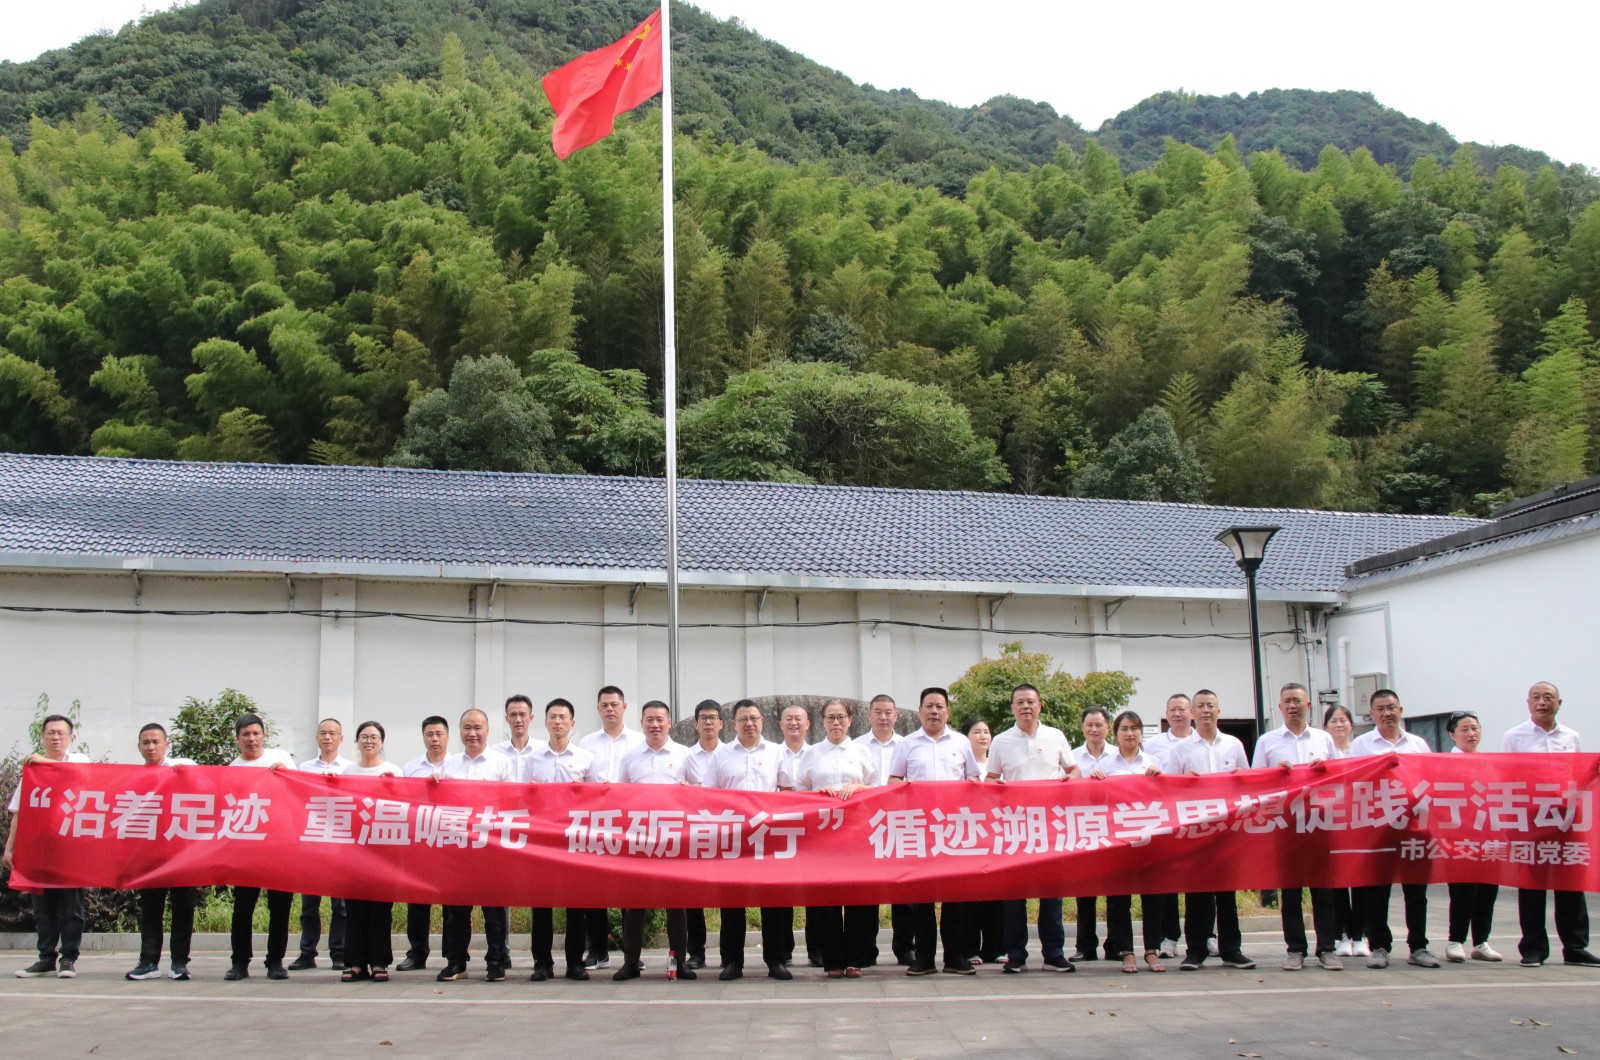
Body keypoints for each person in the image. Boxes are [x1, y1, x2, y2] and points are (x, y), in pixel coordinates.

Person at [1501, 681, 1600, 968]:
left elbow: (1579, 775)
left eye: (1548, 697)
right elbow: (1506, 776)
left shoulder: (1571, 736)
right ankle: (1533, 948)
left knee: (1571, 882)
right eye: (1536, 697)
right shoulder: (1514, 736)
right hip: (1531, 819)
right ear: (1528, 703)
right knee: (1532, 884)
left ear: (1559, 703)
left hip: (1566, 819)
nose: (1542, 702)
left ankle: (1575, 947)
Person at [985, 683, 1079, 974]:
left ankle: (1054, 954)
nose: (1025, 707)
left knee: (1052, 894)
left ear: (1040, 705)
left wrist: (1070, 780)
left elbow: (1073, 769)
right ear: (1012, 708)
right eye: (1020, 702)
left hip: (1050, 827)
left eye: (1030, 702)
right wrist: (996, 786)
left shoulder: (1055, 736)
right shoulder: (1001, 741)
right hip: (1014, 827)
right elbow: (990, 777)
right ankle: (1016, 955)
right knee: (1014, 897)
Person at [889, 687, 982, 975]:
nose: (934, 712)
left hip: (954, 829)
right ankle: (924, 958)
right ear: (919, 712)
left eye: (939, 707)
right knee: (921, 898)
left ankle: (955, 957)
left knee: (955, 897)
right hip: (920, 830)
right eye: (929, 706)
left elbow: (973, 779)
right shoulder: (906, 744)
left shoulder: (961, 742)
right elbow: (893, 780)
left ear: (947, 712)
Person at [1251, 683, 1341, 971]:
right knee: (1290, 892)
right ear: (1280, 707)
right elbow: (1255, 782)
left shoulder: (1324, 740)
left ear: (1308, 706)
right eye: (1287, 701)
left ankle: (1327, 948)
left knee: (1323, 891)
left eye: (1297, 701)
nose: (1292, 706)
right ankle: (1295, 949)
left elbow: (1341, 778)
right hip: (1286, 824)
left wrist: (1324, 769)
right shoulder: (1268, 741)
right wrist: (1275, 774)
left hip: (1318, 822)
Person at [1349, 689, 1441, 969]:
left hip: (1414, 826)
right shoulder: (1362, 745)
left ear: (1401, 710)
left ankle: (1419, 946)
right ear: (1372, 714)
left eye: (1391, 707)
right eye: (1380, 708)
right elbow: (1354, 781)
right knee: (1377, 891)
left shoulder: (1417, 744)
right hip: (1378, 827)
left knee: (1416, 891)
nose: (1386, 713)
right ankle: (1379, 946)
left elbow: (1431, 779)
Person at [787, 699, 879, 978]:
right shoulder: (812, 754)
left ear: (850, 720)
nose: (836, 723)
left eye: (841, 717)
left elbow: (878, 789)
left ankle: (856, 959)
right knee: (825, 899)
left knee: (858, 897)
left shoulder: (862, 751)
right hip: (823, 837)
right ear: (822, 722)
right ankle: (833, 961)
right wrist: (818, 794)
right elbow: (798, 791)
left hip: (857, 836)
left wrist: (859, 787)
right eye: (830, 718)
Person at [612, 700, 695, 981]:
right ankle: (631, 962)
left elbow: (702, 792)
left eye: (660, 719)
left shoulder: (685, 754)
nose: (655, 725)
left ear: (669, 723)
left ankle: (680, 962)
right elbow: (620, 795)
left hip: (674, 840)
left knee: (677, 905)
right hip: (639, 841)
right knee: (634, 904)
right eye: (649, 720)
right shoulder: (631, 756)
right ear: (642, 723)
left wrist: (689, 790)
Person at [1173, 689, 1255, 972]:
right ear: (1192, 713)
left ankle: (1231, 949)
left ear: (1219, 710)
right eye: (1200, 706)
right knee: (1197, 893)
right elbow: (1168, 789)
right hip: (1195, 830)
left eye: (1211, 705)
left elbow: (1248, 782)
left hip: (1227, 830)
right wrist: (1184, 782)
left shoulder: (1233, 745)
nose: (1206, 710)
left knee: (1227, 894)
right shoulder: (1181, 749)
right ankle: (1195, 950)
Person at [708, 699, 791, 981]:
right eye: (743, 719)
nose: (749, 724)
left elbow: (788, 791)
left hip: (767, 836)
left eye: (754, 718)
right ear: (733, 724)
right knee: (732, 902)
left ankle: (776, 960)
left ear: (762, 721)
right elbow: (709, 795)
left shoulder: (777, 752)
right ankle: (732, 962)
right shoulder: (720, 755)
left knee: (772, 902)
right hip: (732, 837)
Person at [6, 714, 92, 979]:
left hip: (72, 851)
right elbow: (19, 812)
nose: (55, 737)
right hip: (39, 851)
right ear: (42, 737)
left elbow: (75, 774)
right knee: (43, 909)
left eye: (60, 733)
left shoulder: (80, 760)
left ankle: (68, 958)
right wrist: (10, 848)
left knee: (72, 908)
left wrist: (42, 762)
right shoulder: (33, 773)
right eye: (50, 733)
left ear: (70, 737)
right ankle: (46, 958)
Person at [434, 708, 514, 983]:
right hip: (458, 849)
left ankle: (496, 962)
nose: (472, 733)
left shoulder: (501, 763)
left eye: (477, 728)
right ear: (460, 731)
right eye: (467, 728)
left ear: (487, 731)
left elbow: (512, 803)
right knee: (456, 911)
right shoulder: (449, 766)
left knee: (494, 910)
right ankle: (456, 962)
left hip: (491, 848)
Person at [526, 697, 601, 982]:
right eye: (553, 717)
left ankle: (574, 963)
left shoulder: (585, 758)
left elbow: (596, 799)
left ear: (572, 724)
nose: (557, 722)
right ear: (545, 722)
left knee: (575, 905)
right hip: (542, 842)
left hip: (574, 840)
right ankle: (542, 963)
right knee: (541, 905)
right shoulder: (533, 759)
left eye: (562, 718)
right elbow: (522, 797)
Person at [576, 685, 645, 970]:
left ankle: (632, 953)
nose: (610, 709)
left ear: (624, 707)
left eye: (614, 704)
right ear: (598, 709)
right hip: (597, 822)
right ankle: (598, 950)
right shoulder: (586, 743)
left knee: (630, 889)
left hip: (630, 823)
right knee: (595, 888)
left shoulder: (639, 741)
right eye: (604, 705)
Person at [224, 713, 296, 981]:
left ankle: (275, 961)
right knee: (243, 908)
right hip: (247, 849)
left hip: (280, 846)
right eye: (245, 734)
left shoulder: (280, 758)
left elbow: (298, 792)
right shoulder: (232, 770)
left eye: (256, 733)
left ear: (264, 736)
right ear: (237, 739)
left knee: (280, 907)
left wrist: (285, 774)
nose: (251, 739)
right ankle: (239, 962)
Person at [125, 723, 198, 981]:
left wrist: (184, 774)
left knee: (183, 909)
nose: (151, 747)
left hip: (181, 854)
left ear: (167, 745)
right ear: (139, 747)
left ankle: (179, 962)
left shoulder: (182, 767)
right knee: (151, 909)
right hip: (150, 855)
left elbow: (205, 786)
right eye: (145, 742)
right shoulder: (134, 777)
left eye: (156, 742)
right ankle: (148, 961)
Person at [1097, 710, 1166, 973]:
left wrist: (1162, 778)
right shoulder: (1105, 765)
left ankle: (1152, 950)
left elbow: (1169, 797)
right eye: (1124, 728)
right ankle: (1126, 951)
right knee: (1118, 899)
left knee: (1153, 898)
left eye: (1135, 728)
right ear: (1115, 733)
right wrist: (1096, 782)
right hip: (1118, 841)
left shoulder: (1154, 762)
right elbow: (1093, 800)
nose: (1130, 733)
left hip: (1149, 839)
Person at [290, 717, 352, 972]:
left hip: (339, 844)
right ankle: (307, 952)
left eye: (332, 733)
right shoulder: (305, 768)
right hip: (312, 843)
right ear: (316, 738)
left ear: (341, 739)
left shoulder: (349, 769)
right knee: (309, 905)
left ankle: (339, 952)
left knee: (341, 905)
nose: (327, 737)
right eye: (323, 733)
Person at [854, 693, 911, 966]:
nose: (883, 717)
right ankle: (866, 950)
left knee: (904, 888)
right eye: (878, 712)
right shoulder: (856, 746)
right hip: (866, 824)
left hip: (901, 822)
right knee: (867, 889)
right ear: (869, 715)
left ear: (896, 716)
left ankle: (905, 948)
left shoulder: (907, 745)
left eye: (888, 712)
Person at [340, 721, 399, 983]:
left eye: (374, 737)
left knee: (380, 908)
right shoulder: (348, 772)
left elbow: (403, 807)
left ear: (382, 742)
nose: (369, 741)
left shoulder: (393, 771)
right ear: (357, 741)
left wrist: (392, 787)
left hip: (384, 850)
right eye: (364, 737)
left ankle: (378, 962)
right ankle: (354, 963)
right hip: (354, 848)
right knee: (354, 908)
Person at [1143, 693, 1199, 959]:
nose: (1177, 714)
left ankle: (1205, 936)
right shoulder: (1153, 745)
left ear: (1191, 713)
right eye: (1172, 710)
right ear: (1166, 715)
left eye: (1182, 709)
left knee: (1199, 881)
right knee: (1168, 882)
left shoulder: (1202, 741)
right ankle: (1169, 937)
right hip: (1165, 820)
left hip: (1198, 819)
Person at [1443, 710, 1502, 963]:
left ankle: (1481, 941)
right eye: (1465, 729)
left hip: (1488, 835)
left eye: (1475, 728)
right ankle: (1455, 941)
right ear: (1452, 735)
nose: (1471, 734)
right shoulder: (1443, 764)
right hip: (1458, 836)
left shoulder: (1490, 762)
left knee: (1487, 889)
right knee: (1462, 890)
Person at [397, 714, 450, 971]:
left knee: (451, 902)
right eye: (430, 734)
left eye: (439, 734)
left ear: (447, 737)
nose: (434, 739)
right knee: (417, 900)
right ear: (423, 738)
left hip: (450, 840)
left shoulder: (457, 766)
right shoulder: (410, 768)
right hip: (420, 840)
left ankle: (452, 955)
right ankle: (417, 953)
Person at [1070, 706, 1117, 962]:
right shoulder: (1073, 758)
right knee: (1085, 892)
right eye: (1089, 725)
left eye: (1099, 725)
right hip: (1084, 829)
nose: (1094, 729)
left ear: (1108, 727)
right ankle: (1085, 946)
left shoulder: (1118, 756)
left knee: (1115, 891)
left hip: (1114, 830)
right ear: (1082, 728)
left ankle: (1116, 945)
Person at [1322, 704, 1369, 959]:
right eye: (1333, 721)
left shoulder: (1362, 750)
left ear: (1351, 725)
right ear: (1325, 727)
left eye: (1343, 720)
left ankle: (1360, 936)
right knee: (1337, 884)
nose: (1339, 725)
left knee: (1361, 882)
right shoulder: (1323, 753)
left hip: (1360, 821)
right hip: (1332, 823)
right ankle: (1343, 935)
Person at [682, 698, 725, 969]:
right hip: (696, 832)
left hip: (730, 831)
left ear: (722, 724)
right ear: (695, 724)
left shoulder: (732, 753)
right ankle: (696, 952)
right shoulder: (685, 756)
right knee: (693, 895)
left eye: (713, 718)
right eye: (703, 718)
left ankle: (730, 955)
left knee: (729, 895)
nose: (708, 722)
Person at [958, 715, 1004, 965]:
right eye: (977, 732)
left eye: (986, 732)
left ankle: (995, 948)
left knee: (996, 893)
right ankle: (969, 948)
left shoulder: (997, 764)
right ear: (966, 738)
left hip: (996, 835)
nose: (983, 736)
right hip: (968, 834)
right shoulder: (963, 764)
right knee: (970, 895)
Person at [776, 704, 812, 967]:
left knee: (814, 890)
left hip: (812, 830)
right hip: (780, 830)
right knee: (782, 891)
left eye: (798, 719)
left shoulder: (818, 753)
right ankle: (784, 949)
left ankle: (817, 948)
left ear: (807, 724)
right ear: (780, 724)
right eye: (788, 719)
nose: (793, 723)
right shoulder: (773, 753)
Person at [493, 694, 542, 781]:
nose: (518, 720)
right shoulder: (496, 752)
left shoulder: (542, 750)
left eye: (522, 714)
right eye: (513, 715)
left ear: (531, 718)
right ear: (507, 719)